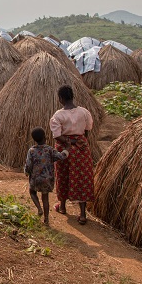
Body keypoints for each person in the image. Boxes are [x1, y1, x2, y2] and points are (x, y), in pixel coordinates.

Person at [50, 85, 94, 225]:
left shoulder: (58, 115)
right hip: (82, 147)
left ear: (60, 98)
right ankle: (82, 214)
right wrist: (78, 140)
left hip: (65, 148)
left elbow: (57, 136)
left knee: (63, 174)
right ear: (72, 97)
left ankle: (62, 206)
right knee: (82, 176)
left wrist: (69, 142)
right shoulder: (84, 112)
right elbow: (88, 129)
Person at [25, 127, 69, 225]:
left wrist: (27, 172)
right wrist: (67, 149)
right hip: (47, 179)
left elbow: (28, 164)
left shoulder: (31, 151)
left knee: (32, 192)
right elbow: (61, 156)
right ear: (45, 138)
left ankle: (39, 209)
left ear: (34, 139)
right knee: (45, 198)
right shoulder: (50, 150)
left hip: (35, 178)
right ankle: (46, 219)